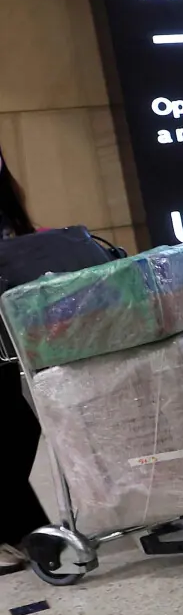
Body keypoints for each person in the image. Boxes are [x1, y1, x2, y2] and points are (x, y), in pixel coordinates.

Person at [0, 151, 50, 568]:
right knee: (12, 426)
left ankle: (28, 525)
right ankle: (14, 530)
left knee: (20, 426)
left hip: (8, 337)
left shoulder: (7, 202)